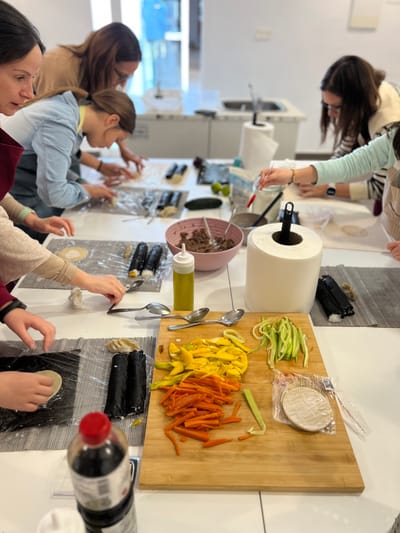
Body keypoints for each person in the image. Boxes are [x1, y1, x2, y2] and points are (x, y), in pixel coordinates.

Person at [0, 0, 126, 411]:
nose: (30, 93)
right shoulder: (60, 114)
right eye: (20, 77)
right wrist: (81, 279)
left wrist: (5, 305)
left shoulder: (68, 110)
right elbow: (6, 237)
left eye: (32, 79)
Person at [259, 124, 400, 260]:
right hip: (388, 240)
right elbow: (348, 165)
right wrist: (292, 175)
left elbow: (375, 188)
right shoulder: (394, 137)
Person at [3, 86, 136, 226]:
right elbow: (54, 195)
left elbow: (50, 164)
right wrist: (88, 192)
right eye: (116, 139)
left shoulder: (68, 113)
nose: (110, 146)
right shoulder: (61, 123)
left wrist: (82, 183)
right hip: (11, 195)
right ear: (112, 120)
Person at [34, 22, 145, 179]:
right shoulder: (60, 66)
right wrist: (86, 182)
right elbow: (51, 141)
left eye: (127, 78)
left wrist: (122, 148)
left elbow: (112, 118)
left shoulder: (101, 76)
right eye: (121, 76)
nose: (122, 84)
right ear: (103, 61)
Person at [298, 56, 400, 211]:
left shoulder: (387, 126)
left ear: (355, 103)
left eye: (335, 107)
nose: (330, 113)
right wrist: (320, 176)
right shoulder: (368, 94)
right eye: (326, 105)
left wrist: (327, 188)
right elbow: (344, 155)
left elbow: (378, 188)